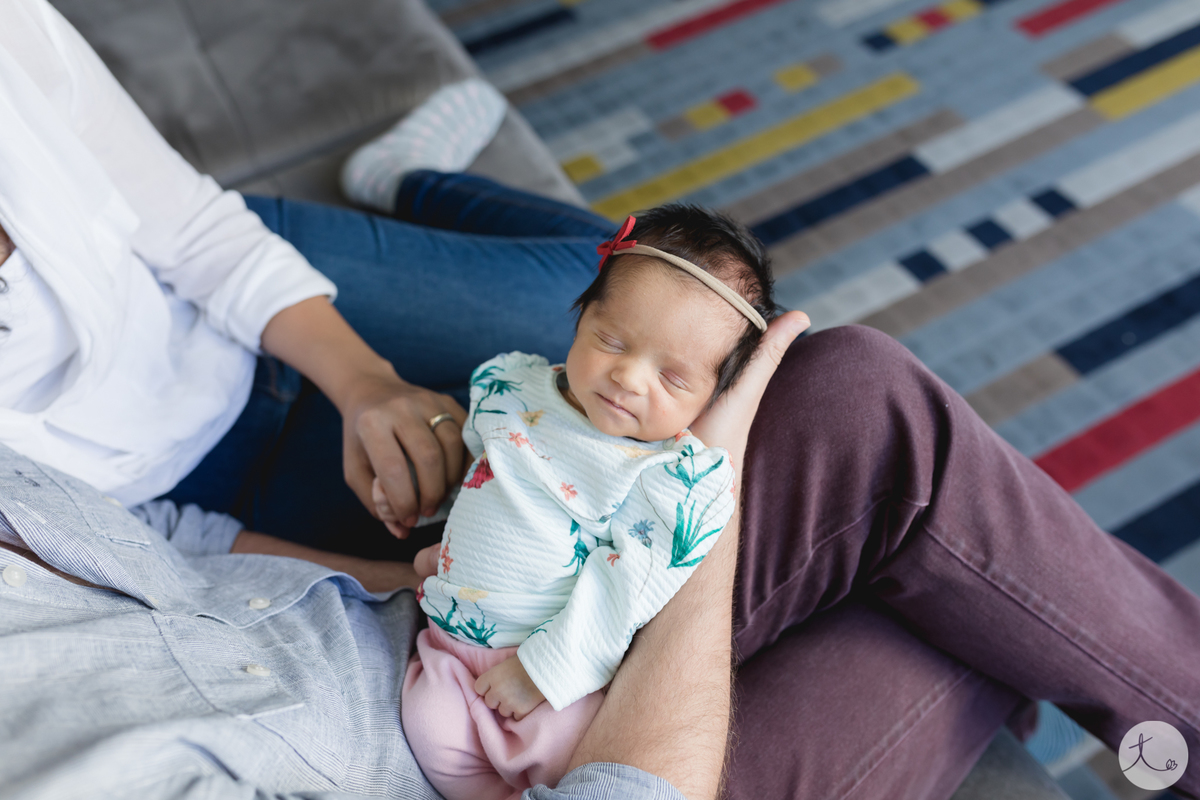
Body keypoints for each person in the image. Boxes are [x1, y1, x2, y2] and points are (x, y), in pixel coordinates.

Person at [1, 1, 1198, 798]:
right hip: (512, 743)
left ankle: (427, 187)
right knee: (939, 584)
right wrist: (697, 494)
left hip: (402, 611)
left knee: (645, 294)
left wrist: (398, 466)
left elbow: (168, 544)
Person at [398, 207, 772, 800]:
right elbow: (479, 468)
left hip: (549, 668)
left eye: (672, 379)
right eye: (612, 340)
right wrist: (433, 515)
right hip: (446, 642)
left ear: (711, 397)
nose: (628, 377)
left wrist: (544, 672)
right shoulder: (512, 389)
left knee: (563, 759)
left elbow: (626, 586)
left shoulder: (661, 475)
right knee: (428, 730)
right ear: (579, 318)